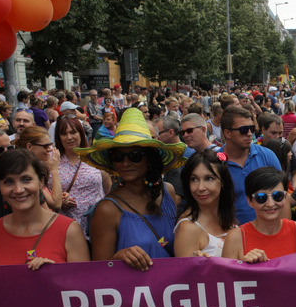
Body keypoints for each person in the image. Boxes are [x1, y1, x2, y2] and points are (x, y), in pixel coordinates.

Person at [82, 108, 186, 270]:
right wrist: (118, 257)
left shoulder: (168, 192)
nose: (125, 163)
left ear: (149, 158)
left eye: (135, 156)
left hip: (170, 291)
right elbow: (99, 272)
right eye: (118, 156)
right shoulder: (107, 210)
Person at [0, 149, 89, 272]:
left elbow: (83, 285)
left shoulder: (70, 230)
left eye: (26, 179)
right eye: (8, 182)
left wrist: (55, 274)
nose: (18, 189)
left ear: (41, 182)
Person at [222, 167, 296, 262]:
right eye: (261, 197)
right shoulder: (235, 238)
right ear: (250, 201)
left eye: (277, 196)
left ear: (286, 197)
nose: (270, 204)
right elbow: (225, 276)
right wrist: (244, 267)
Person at [219, 106, 282, 225]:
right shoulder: (215, 161)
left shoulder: (267, 156)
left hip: (267, 231)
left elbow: (283, 195)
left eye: (252, 128)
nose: (249, 134)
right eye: (243, 130)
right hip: (231, 235)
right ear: (227, 133)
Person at [173, 150, 235, 258]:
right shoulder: (188, 228)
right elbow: (184, 273)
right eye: (194, 179)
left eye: (209, 178)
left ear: (223, 182)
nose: (200, 187)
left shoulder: (227, 219)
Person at [55, 116, 110, 238]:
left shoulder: (95, 157)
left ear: (81, 133)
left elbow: (109, 190)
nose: (69, 137)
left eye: (73, 132)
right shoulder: (54, 162)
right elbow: (48, 197)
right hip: (67, 230)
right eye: (64, 134)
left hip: (97, 226)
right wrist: (59, 201)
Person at [14, 126, 62, 211]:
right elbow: (56, 204)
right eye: (45, 146)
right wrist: (54, 170)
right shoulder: (24, 170)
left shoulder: (35, 167)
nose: (49, 150)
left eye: (50, 145)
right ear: (29, 146)